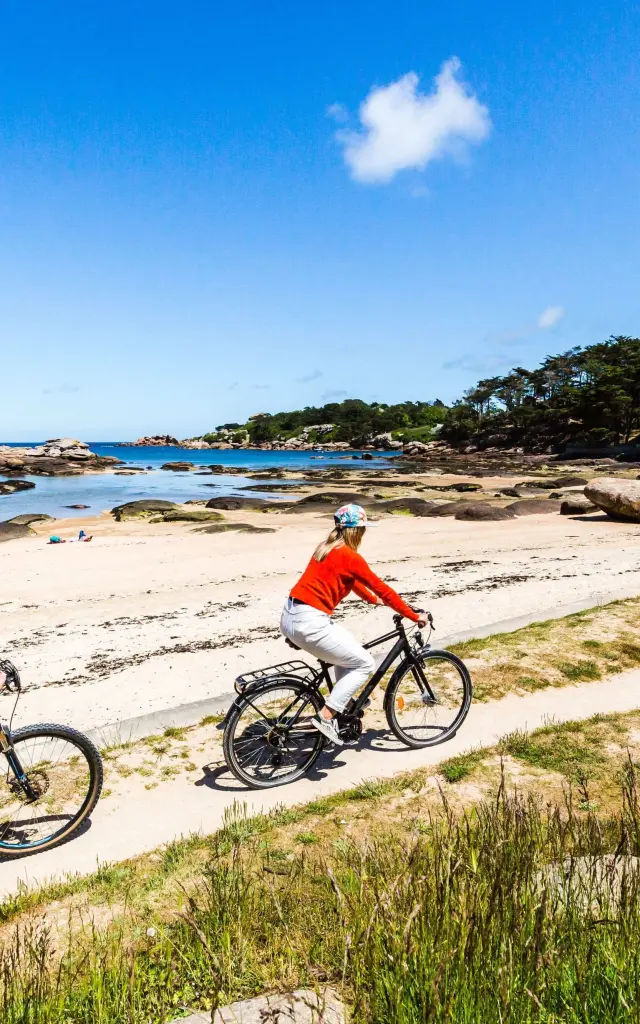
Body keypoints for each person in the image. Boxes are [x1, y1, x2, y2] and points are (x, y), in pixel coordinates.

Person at [280, 503, 427, 746]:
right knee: (364, 663)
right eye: (363, 529)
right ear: (356, 531)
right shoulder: (351, 556)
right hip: (310, 622)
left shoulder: (325, 548)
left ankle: (344, 701)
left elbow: (352, 581)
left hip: (291, 615)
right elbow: (385, 590)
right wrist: (413, 615)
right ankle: (326, 717)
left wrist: (372, 600)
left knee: (348, 645)